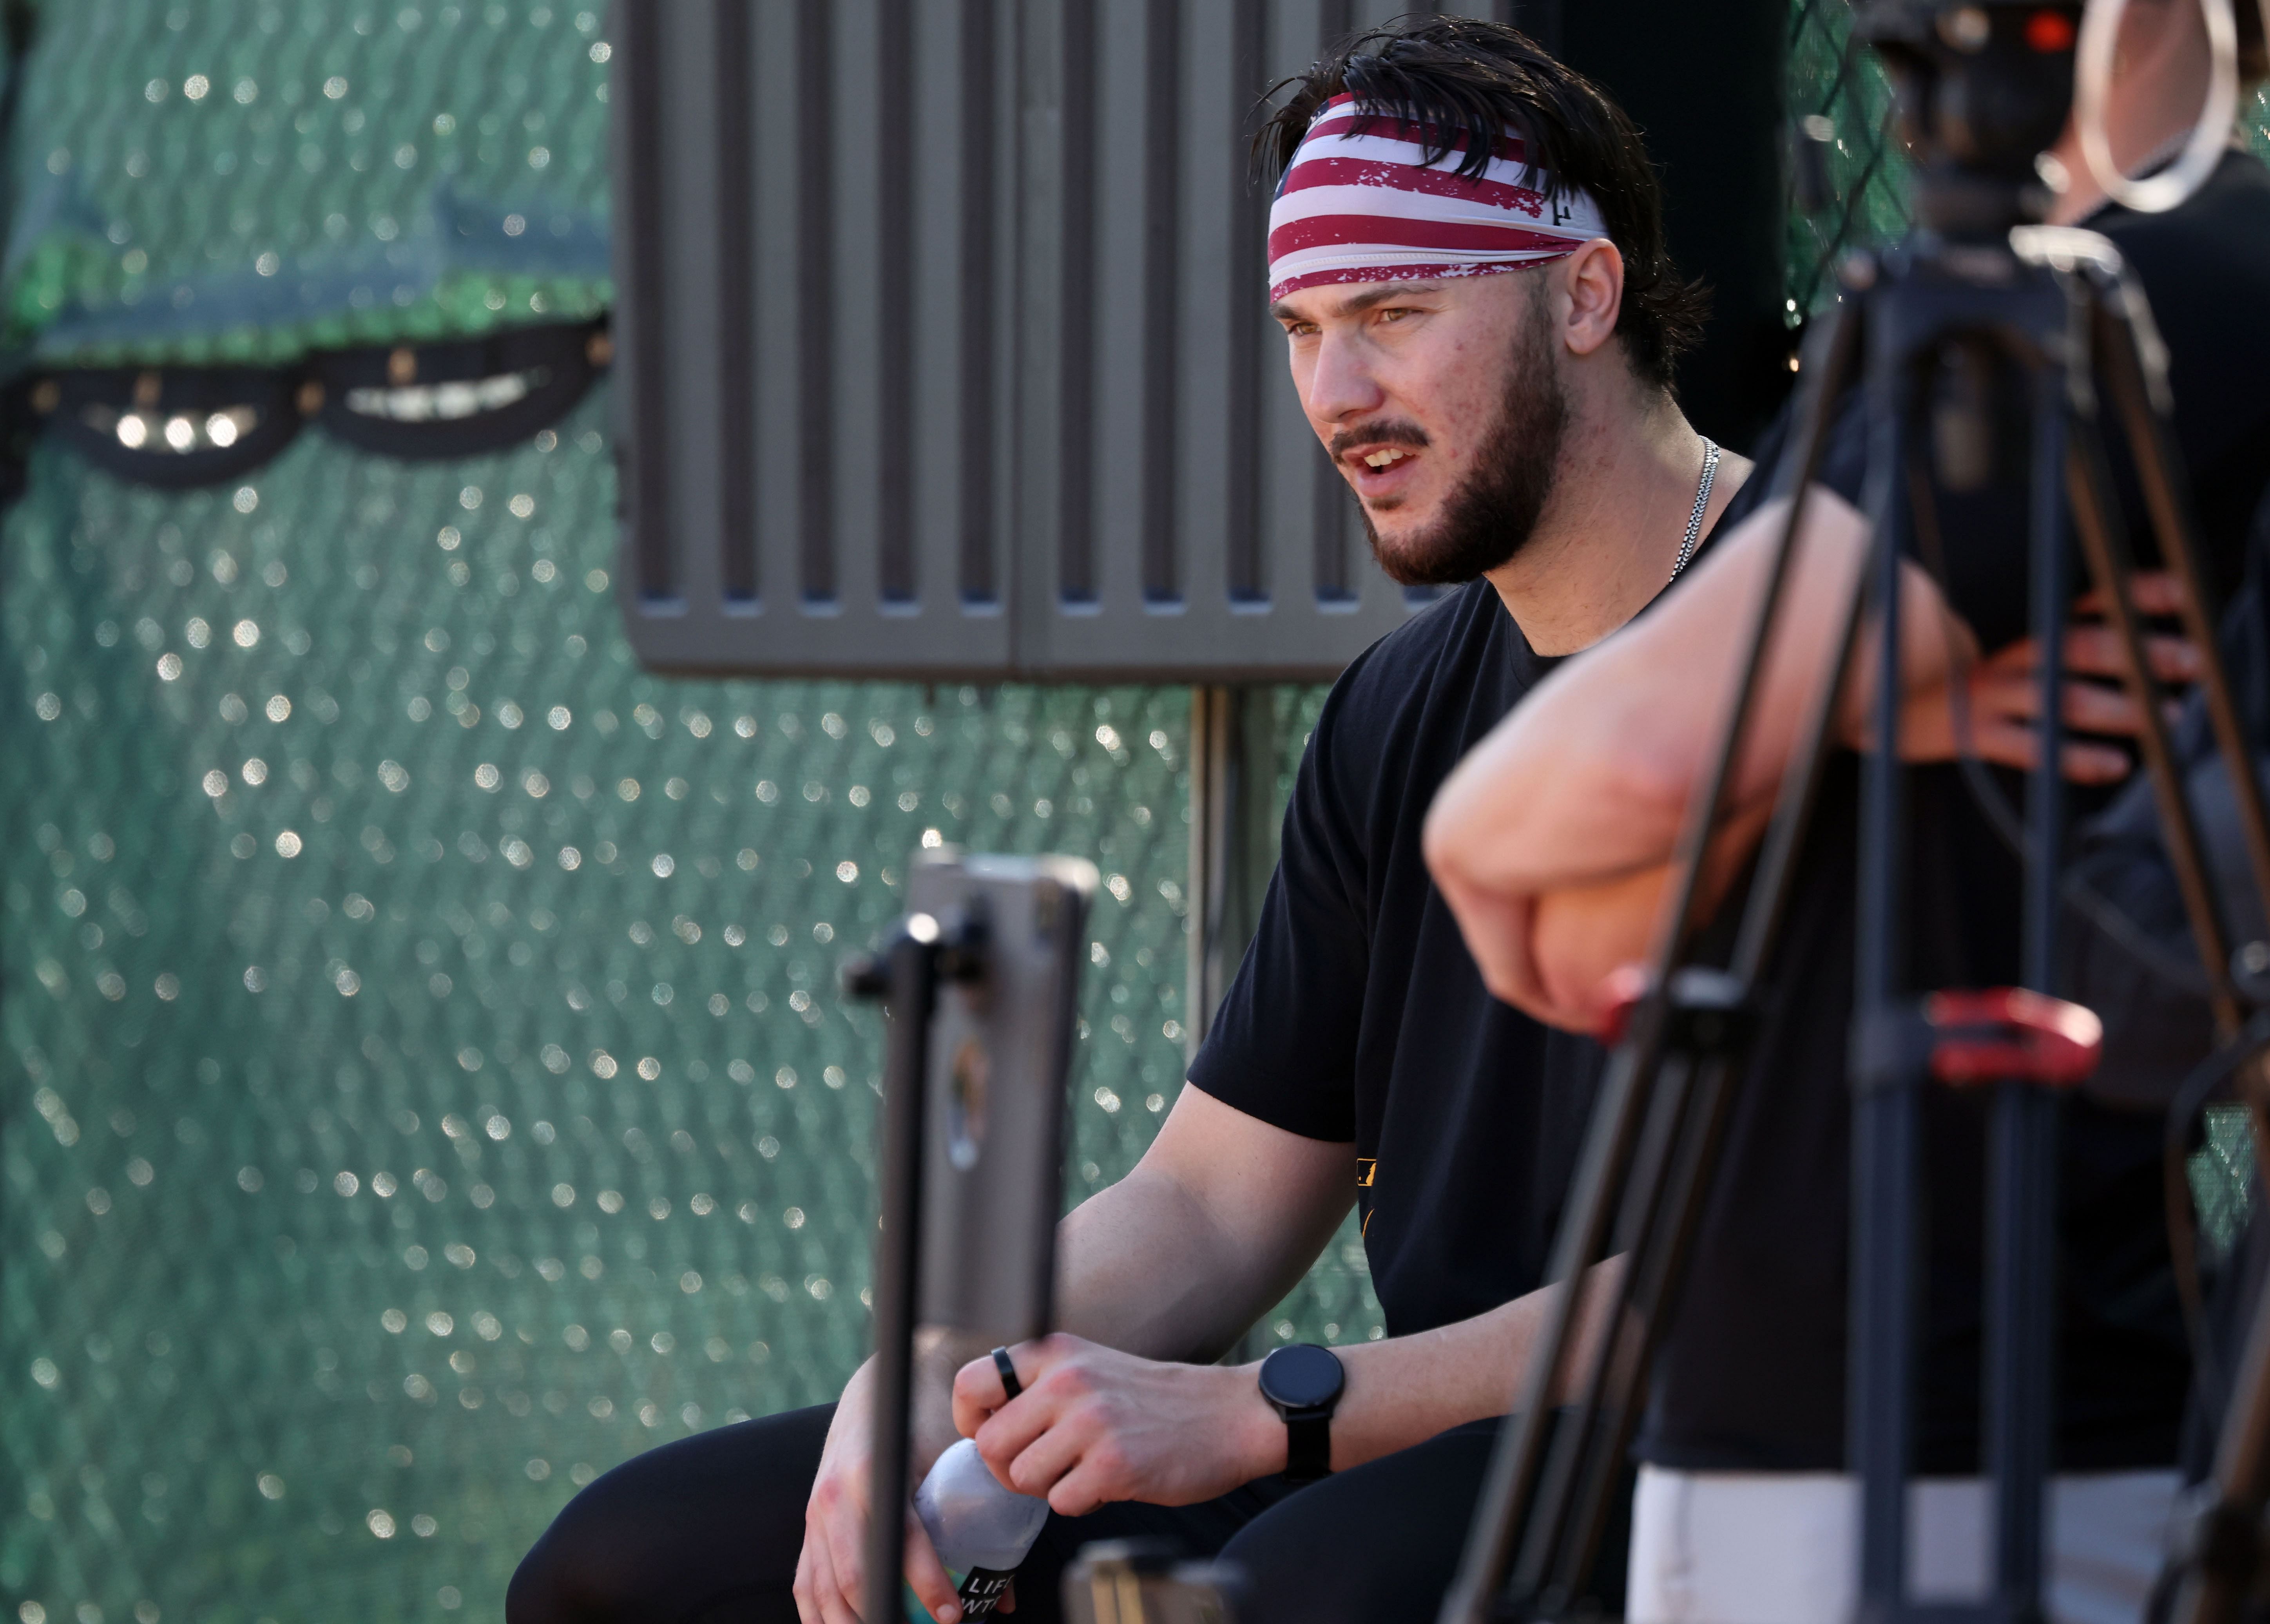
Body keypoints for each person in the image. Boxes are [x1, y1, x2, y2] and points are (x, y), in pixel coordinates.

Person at [507, 18, 2174, 1624]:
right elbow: (1213, 1204)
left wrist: (1271, 1409)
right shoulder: (1398, 708)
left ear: (1585, 294)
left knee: (1297, 1591)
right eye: (1302, 326)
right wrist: (931, 1372)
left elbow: (1776, 1268)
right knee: (631, 1563)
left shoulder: (1833, 642)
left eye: (1392, 308)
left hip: (1717, 1432)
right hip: (1380, 1433)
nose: (1338, 388)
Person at [1422, 2, 2270, 1619]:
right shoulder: (1923, 331)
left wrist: (1490, 814)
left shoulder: (2163, 291)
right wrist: (1890, 698)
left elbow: (1584, 790)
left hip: (1988, 1428)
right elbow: (1591, 911)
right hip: (1766, 1410)